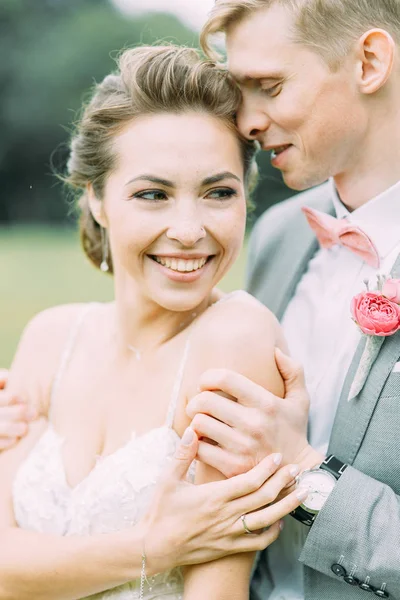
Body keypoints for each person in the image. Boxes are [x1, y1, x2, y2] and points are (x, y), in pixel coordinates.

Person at [0, 45, 308, 600]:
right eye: (152, 194)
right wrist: (155, 548)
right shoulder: (51, 338)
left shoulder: (236, 339)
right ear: (97, 199)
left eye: (218, 192)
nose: (189, 229)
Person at [196, 1, 400, 599]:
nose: (247, 122)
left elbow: (286, 457)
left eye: (269, 86)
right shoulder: (277, 237)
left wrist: (307, 474)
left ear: (369, 61)